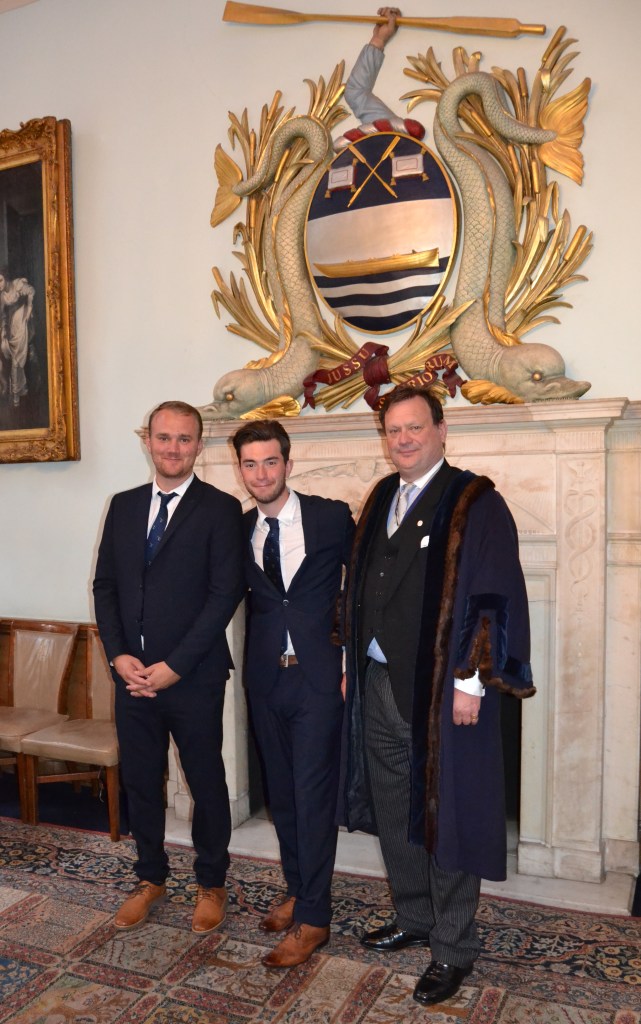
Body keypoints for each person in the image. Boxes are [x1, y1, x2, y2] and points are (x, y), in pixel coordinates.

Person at [341, 384, 535, 1007]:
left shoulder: (475, 503)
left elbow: (493, 596)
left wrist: (471, 680)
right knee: (397, 808)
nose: (403, 439)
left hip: (442, 696)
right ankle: (414, 916)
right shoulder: (381, 498)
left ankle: (453, 948)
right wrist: (349, 657)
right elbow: (360, 588)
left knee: (447, 817)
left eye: (414, 428)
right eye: (393, 430)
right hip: (376, 682)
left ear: (442, 430)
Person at [93, 400, 244, 933]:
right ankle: (150, 877)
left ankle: (211, 882)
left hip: (193, 676)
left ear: (198, 445)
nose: (172, 448)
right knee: (140, 781)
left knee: (205, 782)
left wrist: (175, 666)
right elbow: (105, 587)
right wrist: (117, 656)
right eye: (163, 438)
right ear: (147, 441)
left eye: (184, 439)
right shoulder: (124, 505)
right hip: (131, 677)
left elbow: (226, 594)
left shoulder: (221, 509)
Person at [232, 419, 355, 968]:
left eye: (270, 462)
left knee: (312, 796)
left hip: (317, 679)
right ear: (241, 469)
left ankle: (316, 918)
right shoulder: (238, 530)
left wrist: (353, 656)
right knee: (281, 793)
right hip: (265, 677)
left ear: (288, 462)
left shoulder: (331, 517)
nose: (261, 473)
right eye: (250, 464)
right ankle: (298, 888)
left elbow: (368, 588)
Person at [0, 271, 35, 406]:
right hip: (11, 326)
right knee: (7, 352)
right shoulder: (2, 297)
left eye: (0, 280)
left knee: (16, 361)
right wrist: (3, 331)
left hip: (21, 322)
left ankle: (16, 393)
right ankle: (19, 389)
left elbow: (31, 291)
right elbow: (2, 315)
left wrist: (29, 309)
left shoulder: (17, 284)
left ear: (6, 277)